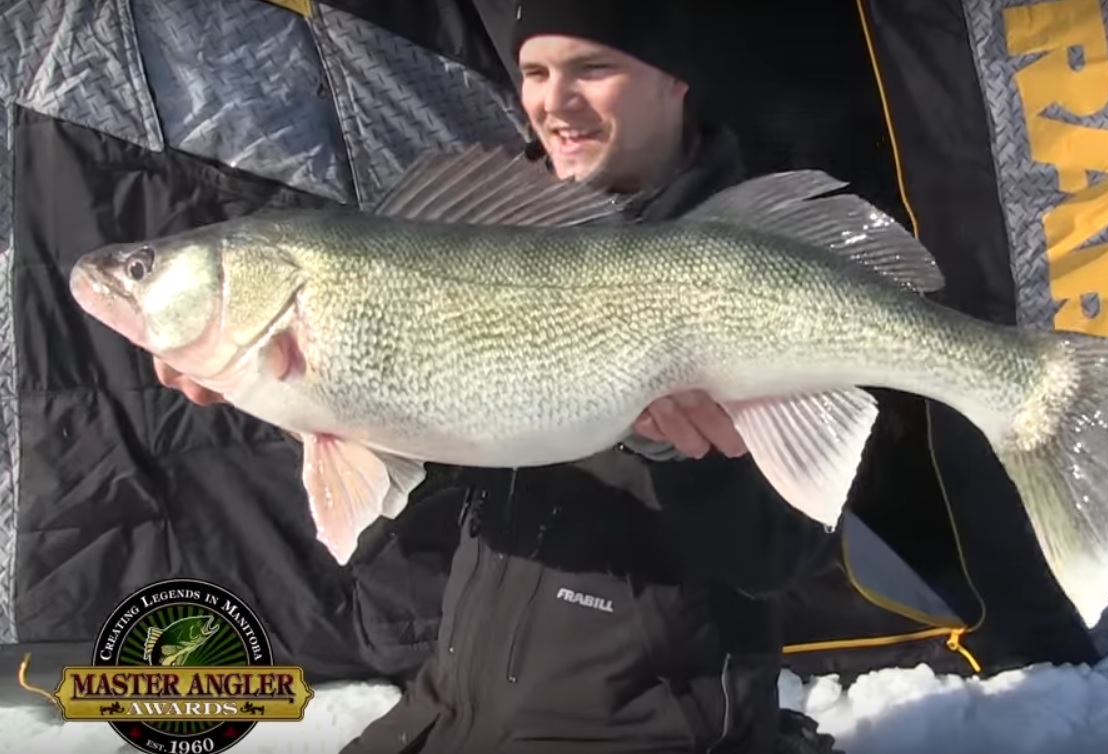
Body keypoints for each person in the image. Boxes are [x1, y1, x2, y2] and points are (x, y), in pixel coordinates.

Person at [157, 2, 841, 752]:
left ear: (676, 79)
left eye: (594, 68)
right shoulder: (478, 233)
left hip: (643, 729)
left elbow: (779, 560)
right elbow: (421, 498)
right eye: (535, 72)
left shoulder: (764, 262)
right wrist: (304, 393)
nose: (555, 101)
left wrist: (696, 463)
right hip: (453, 709)